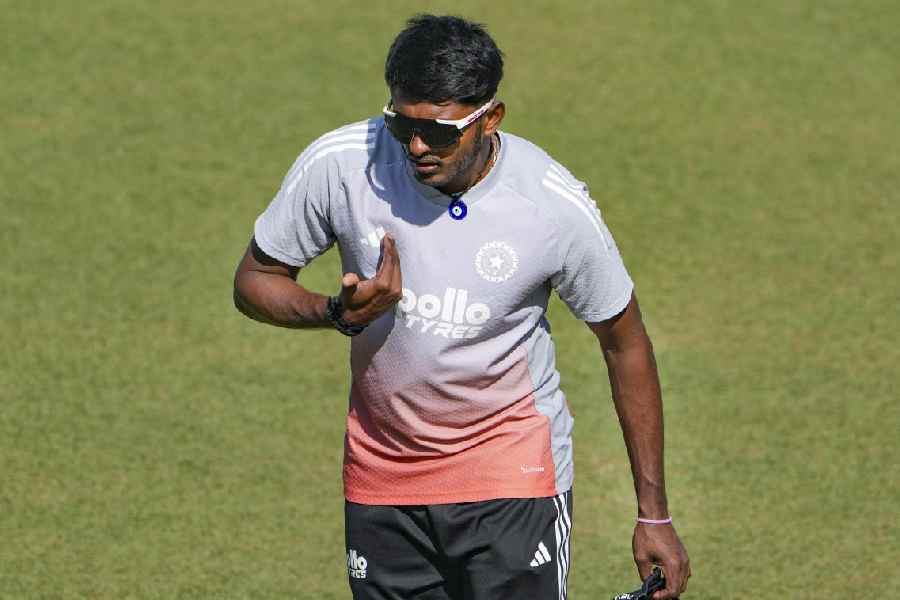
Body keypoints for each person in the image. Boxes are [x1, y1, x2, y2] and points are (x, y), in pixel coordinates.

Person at [233, 14, 690, 600]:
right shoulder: (342, 164)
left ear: (490, 118)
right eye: (403, 126)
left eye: (442, 133)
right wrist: (336, 312)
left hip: (512, 475)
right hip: (383, 479)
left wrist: (653, 514)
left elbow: (625, 343)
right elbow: (255, 279)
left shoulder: (551, 206)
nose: (418, 148)